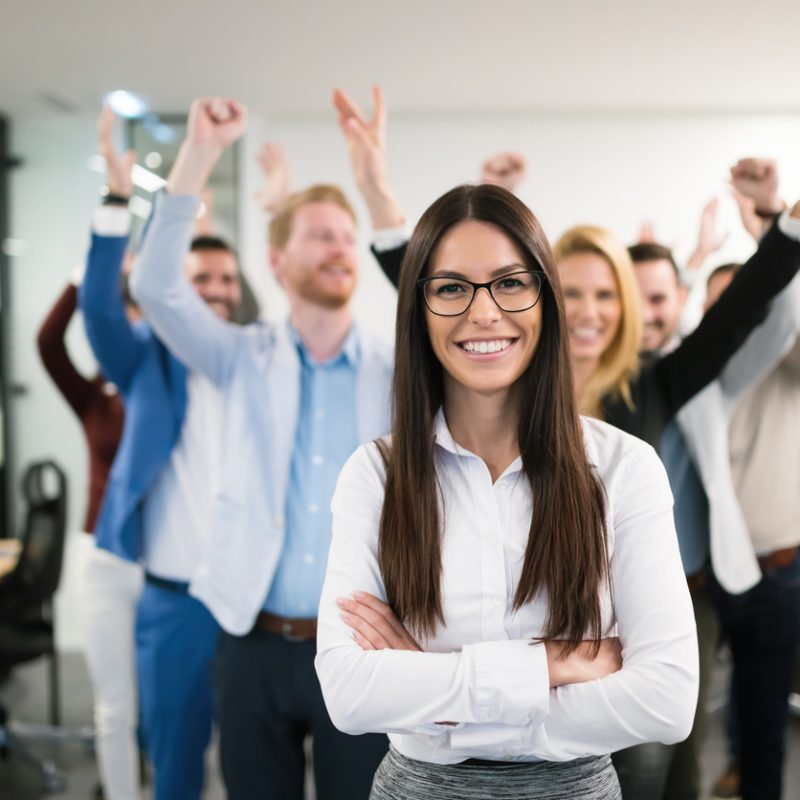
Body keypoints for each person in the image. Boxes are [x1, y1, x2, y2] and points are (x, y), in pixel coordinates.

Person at [315, 182, 698, 800]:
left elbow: (667, 700)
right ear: (419, 308)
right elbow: (349, 693)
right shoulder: (375, 475)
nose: (484, 311)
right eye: (451, 287)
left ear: (545, 299)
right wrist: (547, 667)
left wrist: (439, 705)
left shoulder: (625, 469)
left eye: (511, 282)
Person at [129, 96, 391, 800]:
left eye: (347, 235)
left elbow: (434, 295)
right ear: (276, 260)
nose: (339, 246)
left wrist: (372, 185)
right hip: (250, 642)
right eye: (319, 235)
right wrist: (201, 153)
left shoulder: (397, 369)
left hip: (363, 647)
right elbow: (155, 286)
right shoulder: (242, 356)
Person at [80, 107, 243, 800]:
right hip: (174, 600)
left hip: (250, 605)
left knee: (254, 765)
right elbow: (99, 310)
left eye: (226, 281)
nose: (214, 292)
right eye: (199, 279)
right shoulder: (145, 358)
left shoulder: (256, 362)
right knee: (174, 761)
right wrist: (118, 204)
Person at [36, 180, 141, 800]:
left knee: (159, 701)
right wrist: (90, 271)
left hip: (160, 561)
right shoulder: (92, 399)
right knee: (113, 704)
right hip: (100, 559)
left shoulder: (168, 394)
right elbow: (48, 343)